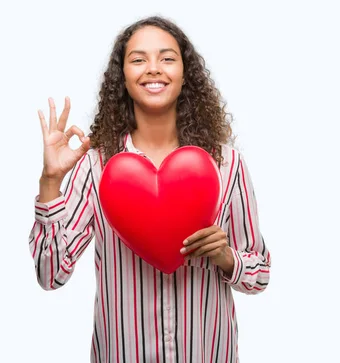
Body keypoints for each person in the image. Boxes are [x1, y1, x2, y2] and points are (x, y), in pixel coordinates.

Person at [28, 16, 271, 363]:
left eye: (167, 58)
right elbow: (50, 275)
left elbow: (259, 274)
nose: (153, 69)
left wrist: (226, 257)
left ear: (185, 75)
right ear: (122, 79)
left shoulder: (227, 165)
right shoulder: (97, 166)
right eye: (138, 59)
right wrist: (50, 181)